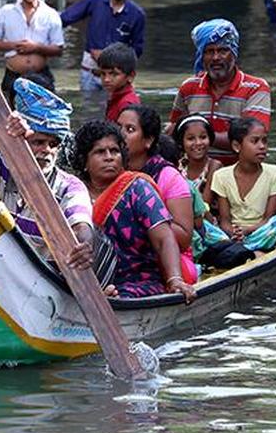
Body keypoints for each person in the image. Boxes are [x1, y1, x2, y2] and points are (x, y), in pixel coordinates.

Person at [0, 78, 95, 262]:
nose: (47, 150)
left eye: (53, 144)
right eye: (39, 142)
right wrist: (2, 133)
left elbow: (82, 227)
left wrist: (84, 246)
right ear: (21, 142)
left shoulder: (69, 186)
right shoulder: (1, 168)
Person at [72, 120, 195, 302]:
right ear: (84, 161)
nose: (109, 157)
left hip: (137, 284)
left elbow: (164, 238)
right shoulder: (72, 191)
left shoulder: (137, 188)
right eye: (100, 152)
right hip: (82, 283)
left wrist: (175, 279)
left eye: (114, 151)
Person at [168, 18, 272, 164]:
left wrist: (198, 136)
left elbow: (252, 140)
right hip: (196, 174)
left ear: (234, 53)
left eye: (223, 50)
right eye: (209, 52)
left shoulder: (256, 88)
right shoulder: (189, 88)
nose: (216, 57)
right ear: (201, 57)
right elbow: (174, 131)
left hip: (239, 175)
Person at [118, 105, 197, 284]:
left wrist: (139, 225)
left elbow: (184, 237)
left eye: (129, 130)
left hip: (166, 260)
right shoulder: (110, 171)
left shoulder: (168, 176)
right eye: (118, 128)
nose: (120, 135)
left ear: (148, 140)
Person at [210, 117, 276, 252]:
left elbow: (268, 219)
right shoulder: (221, 176)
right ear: (237, 146)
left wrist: (246, 230)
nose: (262, 146)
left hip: (261, 232)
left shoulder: (275, 173)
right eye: (255, 141)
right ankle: (239, 248)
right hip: (233, 235)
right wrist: (234, 233)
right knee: (205, 227)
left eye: (264, 141)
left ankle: (239, 250)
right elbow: (225, 221)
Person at [60, 0, 146, 91]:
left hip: (118, 77)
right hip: (90, 72)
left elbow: (137, 49)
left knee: (119, 109)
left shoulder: (137, 14)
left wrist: (114, 59)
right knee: (89, 108)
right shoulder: (94, 1)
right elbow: (65, 18)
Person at [0, 0, 64, 104]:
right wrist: (15, 46)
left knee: (45, 116)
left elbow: (58, 49)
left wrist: (36, 47)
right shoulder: (6, 12)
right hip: (13, 75)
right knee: (11, 116)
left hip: (41, 75)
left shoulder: (51, 14)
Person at [176, 114, 223, 209]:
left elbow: (203, 206)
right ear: (181, 142)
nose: (198, 143)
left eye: (203, 137)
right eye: (190, 138)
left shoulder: (214, 166)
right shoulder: (176, 166)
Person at [97, 42, 141, 121]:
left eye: (114, 74)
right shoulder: (116, 98)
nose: (106, 79)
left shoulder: (127, 104)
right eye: (103, 74)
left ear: (130, 76)